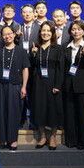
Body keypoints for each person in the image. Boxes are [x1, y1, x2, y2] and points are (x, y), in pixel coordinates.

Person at [0, 25, 29, 151]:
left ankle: (13, 140)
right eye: (5, 34)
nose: (8, 36)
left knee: (14, 112)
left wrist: (24, 86)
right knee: (1, 112)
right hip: (0, 85)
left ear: (14, 34)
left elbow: (25, 69)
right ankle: (3, 139)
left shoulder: (21, 51)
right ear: (2, 37)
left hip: (15, 85)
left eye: (10, 33)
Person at [30, 21, 64, 150]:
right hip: (38, 83)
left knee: (53, 110)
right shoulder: (35, 47)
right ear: (40, 33)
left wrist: (57, 85)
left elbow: (61, 69)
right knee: (39, 109)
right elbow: (31, 66)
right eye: (43, 31)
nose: (45, 33)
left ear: (52, 33)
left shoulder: (58, 48)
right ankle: (43, 136)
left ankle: (53, 137)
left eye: (48, 31)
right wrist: (33, 54)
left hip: (52, 83)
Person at [62, 21, 84, 150]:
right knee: (69, 114)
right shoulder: (65, 46)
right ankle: (71, 141)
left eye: (79, 29)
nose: (76, 32)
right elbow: (63, 67)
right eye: (74, 29)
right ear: (70, 32)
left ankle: (83, 142)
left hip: (83, 85)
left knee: (82, 114)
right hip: (68, 84)